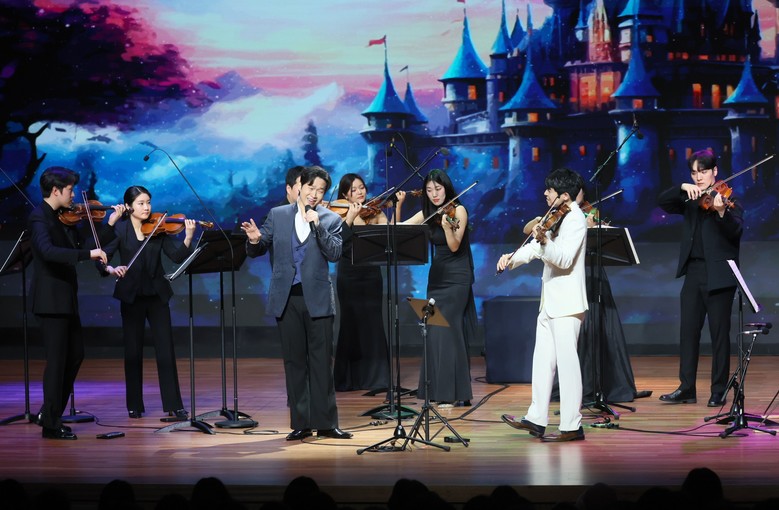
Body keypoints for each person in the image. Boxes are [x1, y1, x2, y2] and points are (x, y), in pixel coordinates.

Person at [241, 165, 352, 440]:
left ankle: (326, 423)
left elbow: (335, 253)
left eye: (321, 191)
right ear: (300, 186)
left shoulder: (330, 218)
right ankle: (301, 423)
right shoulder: (278, 215)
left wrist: (318, 225)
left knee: (321, 363)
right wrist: (253, 241)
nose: (315, 194)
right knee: (294, 362)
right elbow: (259, 247)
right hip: (287, 298)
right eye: (311, 187)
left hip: (318, 299)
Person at [497, 167, 588, 442]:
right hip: (550, 302)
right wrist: (511, 258)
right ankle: (536, 418)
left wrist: (544, 239)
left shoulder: (576, 219)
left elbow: (564, 259)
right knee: (542, 362)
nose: (545, 193)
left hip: (568, 303)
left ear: (564, 195)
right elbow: (535, 248)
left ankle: (572, 425)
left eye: (550, 190)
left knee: (567, 366)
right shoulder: (556, 217)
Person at [28, 166, 115, 439]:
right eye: (70, 190)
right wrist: (88, 255)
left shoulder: (62, 218)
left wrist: (110, 225)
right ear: (56, 191)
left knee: (76, 354)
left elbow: (84, 245)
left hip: (65, 299)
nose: (74, 195)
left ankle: (49, 412)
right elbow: (48, 251)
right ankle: (51, 424)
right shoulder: (39, 217)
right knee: (56, 362)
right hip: (50, 301)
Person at [99, 185, 195, 420]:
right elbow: (101, 259)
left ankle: (173, 404)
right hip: (131, 297)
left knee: (166, 350)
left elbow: (176, 257)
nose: (147, 207)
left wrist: (188, 236)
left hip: (157, 296)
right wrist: (111, 269)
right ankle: (134, 405)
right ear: (129, 206)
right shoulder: (120, 229)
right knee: (133, 351)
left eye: (148, 202)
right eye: (141, 203)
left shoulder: (158, 228)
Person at [657, 149, 742, 407]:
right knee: (688, 332)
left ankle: (718, 390)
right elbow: (663, 201)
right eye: (694, 173)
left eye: (703, 172)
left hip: (719, 275)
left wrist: (721, 212)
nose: (698, 177)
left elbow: (736, 231)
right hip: (693, 272)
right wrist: (682, 187)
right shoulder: (691, 198)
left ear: (714, 171)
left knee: (719, 336)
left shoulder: (729, 198)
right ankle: (687, 388)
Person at [400, 169, 474, 406]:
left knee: (448, 330)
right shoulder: (427, 212)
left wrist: (446, 227)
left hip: (457, 278)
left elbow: (454, 246)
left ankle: (450, 393)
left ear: (446, 188)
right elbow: (401, 227)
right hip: (437, 278)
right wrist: (399, 206)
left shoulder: (458, 210)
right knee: (434, 328)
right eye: (429, 190)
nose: (434, 194)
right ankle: (441, 390)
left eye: (438, 189)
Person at [332, 173, 393, 391]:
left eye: (361, 187)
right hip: (348, 275)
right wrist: (351, 216)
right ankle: (348, 379)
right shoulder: (337, 213)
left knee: (373, 324)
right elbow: (337, 241)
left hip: (371, 274)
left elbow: (390, 234)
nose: (359, 192)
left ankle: (376, 378)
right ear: (344, 194)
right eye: (353, 189)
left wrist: (399, 207)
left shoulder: (374, 211)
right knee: (350, 323)